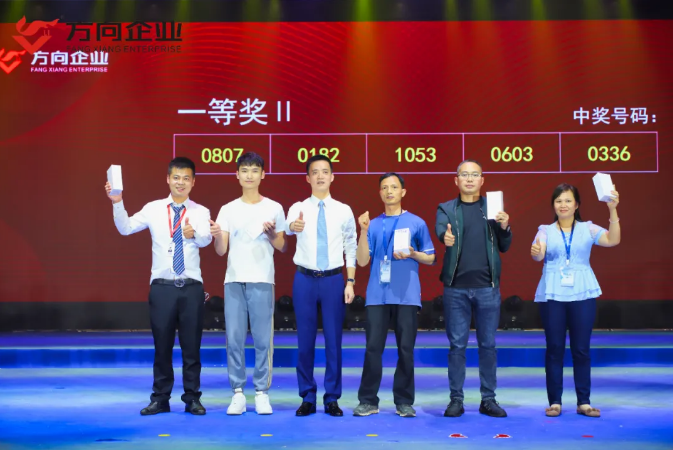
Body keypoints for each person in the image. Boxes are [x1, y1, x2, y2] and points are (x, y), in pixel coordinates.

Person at [104, 157, 212, 416]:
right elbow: (126, 228)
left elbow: (207, 239)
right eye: (176, 177)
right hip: (162, 287)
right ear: (168, 179)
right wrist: (117, 202)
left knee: (191, 347)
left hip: (191, 287)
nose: (180, 183)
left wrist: (194, 235)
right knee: (162, 346)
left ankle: (192, 398)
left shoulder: (201, 211)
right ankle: (160, 398)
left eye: (186, 178)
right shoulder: (153, 208)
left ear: (193, 182)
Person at [531, 183, 620, 418]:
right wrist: (537, 253)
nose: (563, 205)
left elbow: (613, 240)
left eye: (568, 200)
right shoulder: (545, 230)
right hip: (552, 294)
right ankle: (555, 402)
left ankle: (584, 402)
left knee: (581, 349)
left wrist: (612, 209)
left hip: (582, 292)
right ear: (553, 205)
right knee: (555, 349)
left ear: (577, 205)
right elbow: (539, 253)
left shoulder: (588, 229)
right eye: (559, 201)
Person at [352, 173, 435, 418]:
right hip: (377, 295)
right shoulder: (372, 224)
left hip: (407, 295)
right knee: (372, 349)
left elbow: (431, 257)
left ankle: (404, 401)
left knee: (406, 350)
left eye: (394, 187)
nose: (389, 191)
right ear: (380, 193)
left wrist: (413, 254)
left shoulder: (416, 222)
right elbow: (362, 260)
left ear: (403, 192)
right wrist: (363, 231)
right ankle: (368, 400)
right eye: (384, 188)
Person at [211, 152, 286, 415]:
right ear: (237, 175)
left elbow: (282, 245)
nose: (249, 175)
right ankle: (238, 393)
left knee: (263, 340)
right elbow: (221, 250)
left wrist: (272, 234)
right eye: (244, 170)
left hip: (262, 279)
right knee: (234, 339)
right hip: (233, 279)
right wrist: (216, 235)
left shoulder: (274, 207)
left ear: (263, 174)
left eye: (255, 170)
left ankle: (262, 392)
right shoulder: (228, 209)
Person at [435, 159, 512, 418]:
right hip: (456, 289)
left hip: (487, 288)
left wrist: (505, 227)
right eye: (464, 175)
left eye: (474, 175)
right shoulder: (446, 208)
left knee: (488, 345)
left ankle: (488, 399)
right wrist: (445, 237)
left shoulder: (493, 207)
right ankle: (456, 400)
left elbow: (504, 246)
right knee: (457, 346)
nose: (469, 179)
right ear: (456, 180)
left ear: (482, 180)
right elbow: (440, 229)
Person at [285, 154, 357, 417]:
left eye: (325, 171)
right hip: (304, 279)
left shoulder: (343, 210)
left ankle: (332, 398)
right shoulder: (298, 207)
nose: (320, 176)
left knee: (333, 341)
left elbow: (351, 246)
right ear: (307, 178)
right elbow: (288, 228)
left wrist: (350, 281)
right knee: (304, 341)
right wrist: (293, 225)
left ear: (332, 176)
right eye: (314, 172)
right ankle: (307, 396)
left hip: (333, 280)